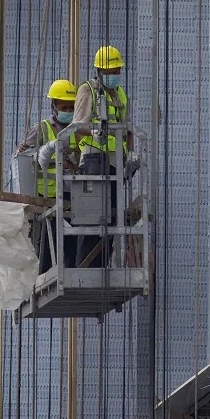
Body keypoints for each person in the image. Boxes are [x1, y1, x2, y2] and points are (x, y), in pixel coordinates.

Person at [70, 45, 139, 268]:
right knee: (92, 218)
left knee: (112, 218)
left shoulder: (119, 94)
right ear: (99, 71)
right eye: (110, 72)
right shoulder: (87, 90)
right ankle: (85, 268)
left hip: (114, 162)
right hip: (93, 159)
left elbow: (127, 128)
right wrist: (94, 132)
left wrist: (130, 154)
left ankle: (101, 266)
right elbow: (76, 126)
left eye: (117, 71)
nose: (114, 75)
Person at [15, 79, 80, 273]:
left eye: (71, 106)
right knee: (48, 245)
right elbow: (20, 160)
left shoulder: (80, 129)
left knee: (73, 243)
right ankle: (44, 274)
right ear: (54, 106)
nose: (68, 110)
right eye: (64, 106)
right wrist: (25, 151)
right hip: (48, 198)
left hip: (73, 195)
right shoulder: (41, 129)